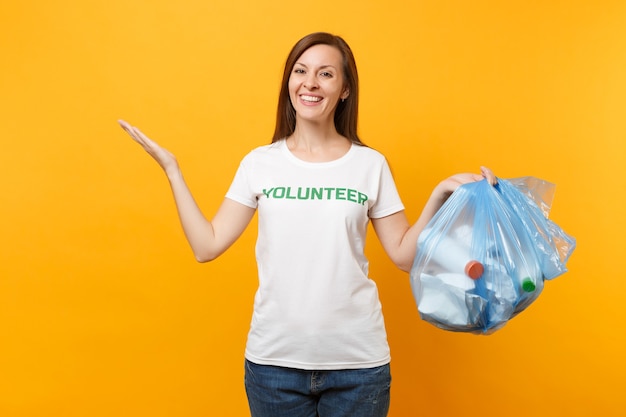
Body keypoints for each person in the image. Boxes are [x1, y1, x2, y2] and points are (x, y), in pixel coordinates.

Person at [119, 32, 496, 417]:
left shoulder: (370, 165)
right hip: (274, 367)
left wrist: (439, 195)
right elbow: (206, 246)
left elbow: (403, 255)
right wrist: (173, 170)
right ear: (289, 82)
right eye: (301, 71)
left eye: (326, 73)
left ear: (345, 89)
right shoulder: (259, 163)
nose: (310, 82)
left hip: (358, 367)